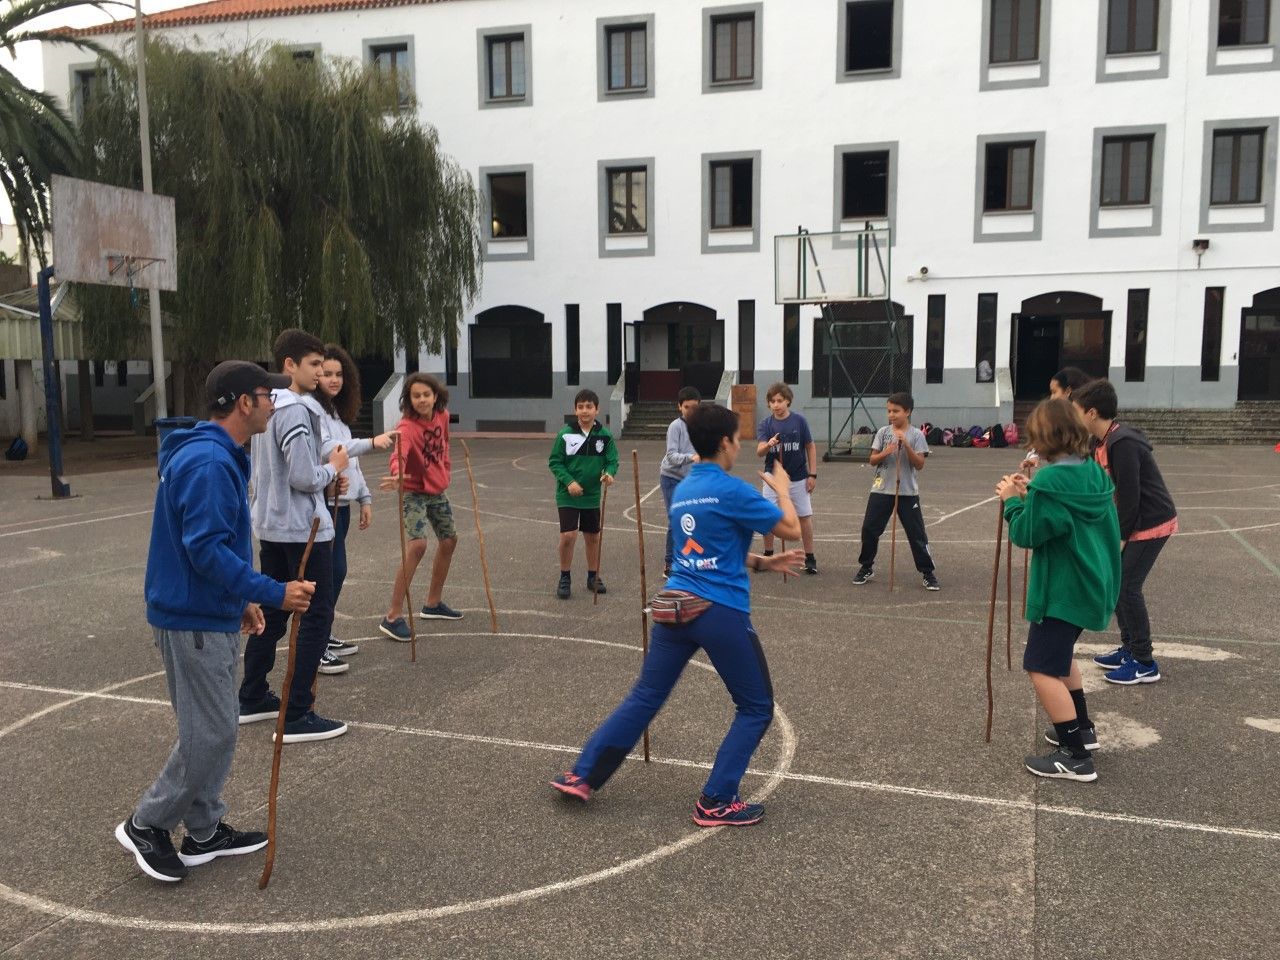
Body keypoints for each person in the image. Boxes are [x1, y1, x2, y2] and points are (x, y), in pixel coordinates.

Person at [550, 403, 803, 826]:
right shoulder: (733, 489)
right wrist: (782, 487)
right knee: (756, 707)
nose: (739, 445)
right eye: (738, 438)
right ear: (725, 442)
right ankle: (717, 799)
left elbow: (708, 547)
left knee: (645, 696)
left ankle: (583, 774)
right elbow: (792, 529)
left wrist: (759, 563)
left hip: (675, 603)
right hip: (719, 610)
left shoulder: (685, 488)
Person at [116, 361, 316, 883]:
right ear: (243, 402)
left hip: (205, 611)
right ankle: (147, 823)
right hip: (191, 619)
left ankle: (204, 829)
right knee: (210, 733)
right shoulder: (208, 462)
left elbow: (220, 544)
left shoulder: (221, 454)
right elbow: (204, 549)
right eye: (267, 395)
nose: (275, 403)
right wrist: (272, 592)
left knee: (212, 728)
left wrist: (240, 600)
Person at [997, 398, 1120, 782]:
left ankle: (1075, 755)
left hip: (1064, 590)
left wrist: (1013, 502)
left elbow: (1027, 533)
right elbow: (1062, 509)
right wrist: (1033, 491)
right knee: (1061, 656)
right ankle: (1081, 727)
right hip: (1092, 582)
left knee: (1040, 667)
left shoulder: (1051, 483)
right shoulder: (1093, 473)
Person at [239, 328, 349, 742]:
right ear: (290, 365)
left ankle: (251, 695)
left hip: (271, 524)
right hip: (303, 529)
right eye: (315, 365)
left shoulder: (268, 407)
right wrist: (333, 470)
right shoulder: (296, 410)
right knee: (316, 614)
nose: (321, 373)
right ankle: (298, 711)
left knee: (277, 607)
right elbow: (305, 476)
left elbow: (282, 472)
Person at [1072, 379, 1178, 685]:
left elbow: (1130, 496)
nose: (1074, 416)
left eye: (1076, 411)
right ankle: (1130, 647)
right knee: (1118, 584)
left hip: (1151, 523)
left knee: (1127, 586)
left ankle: (1144, 662)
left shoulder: (1124, 443)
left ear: (1091, 413)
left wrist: (1118, 537)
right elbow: (1091, 478)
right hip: (1132, 522)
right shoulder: (1099, 442)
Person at [316, 344, 396, 658]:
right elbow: (332, 448)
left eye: (339, 374)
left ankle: (322, 631)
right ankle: (315, 641)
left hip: (343, 503)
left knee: (337, 571)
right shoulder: (313, 412)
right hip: (325, 504)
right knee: (328, 572)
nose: (334, 380)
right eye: (326, 374)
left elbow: (352, 461)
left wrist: (364, 497)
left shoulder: (338, 413)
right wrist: (371, 442)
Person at [378, 373, 462, 641]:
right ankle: (392, 615)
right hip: (413, 490)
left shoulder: (443, 416)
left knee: (449, 540)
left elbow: (445, 444)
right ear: (409, 400)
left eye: (426, 394)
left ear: (435, 396)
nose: (422, 399)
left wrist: (445, 469)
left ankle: (433, 603)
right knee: (418, 545)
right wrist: (397, 473)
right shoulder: (407, 428)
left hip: (437, 489)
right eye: (416, 396)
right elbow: (398, 454)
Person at [853, 392, 939, 590]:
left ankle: (927, 572)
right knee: (869, 529)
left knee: (916, 533)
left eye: (896, 411)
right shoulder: (883, 432)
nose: (891, 415)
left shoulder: (916, 435)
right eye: (889, 411)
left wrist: (906, 445)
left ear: (907, 412)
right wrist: (887, 450)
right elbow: (873, 460)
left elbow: (919, 464)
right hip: (882, 488)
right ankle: (866, 566)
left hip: (907, 491)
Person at [548, 388, 619, 600]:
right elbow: (555, 462)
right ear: (575, 410)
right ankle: (565, 577)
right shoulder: (565, 433)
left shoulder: (604, 436)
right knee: (568, 536)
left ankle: (592, 576)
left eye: (589, 407)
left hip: (591, 495)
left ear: (597, 410)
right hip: (568, 494)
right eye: (580, 407)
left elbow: (611, 460)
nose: (584, 411)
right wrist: (569, 482)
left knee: (592, 537)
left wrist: (609, 473)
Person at [755, 382, 819, 573]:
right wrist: (769, 444)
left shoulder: (799, 421)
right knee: (767, 514)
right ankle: (768, 554)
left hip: (798, 475)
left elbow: (810, 446)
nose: (776, 404)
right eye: (772, 401)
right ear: (769, 404)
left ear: (788, 401)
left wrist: (812, 474)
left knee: (804, 516)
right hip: (772, 477)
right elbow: (759, 451)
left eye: (780, 401)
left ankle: (810, 557)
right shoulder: (765, 424)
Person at [660, 386, 701, 579]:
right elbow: (671, 456)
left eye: (694, 407)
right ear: (680, 407)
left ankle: (687, 559)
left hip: (690, 479)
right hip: (671, 477)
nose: (690, 411)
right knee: (676, 518)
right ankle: (669, 563)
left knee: (691, 520)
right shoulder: (675, 426)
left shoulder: (702, 426)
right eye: (686, 407)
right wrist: (690, 458)